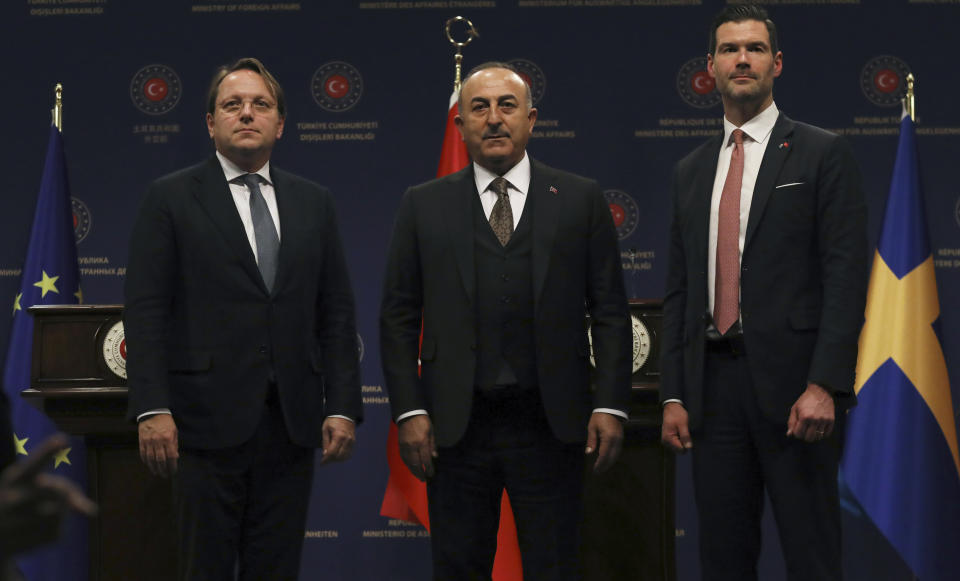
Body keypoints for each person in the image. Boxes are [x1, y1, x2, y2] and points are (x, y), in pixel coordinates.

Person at [380, 62, 632, 581]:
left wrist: (609, 402)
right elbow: (398, 318)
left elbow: (609, 311)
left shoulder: (580, 199)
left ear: (532, 119)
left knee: (555, 566)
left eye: (507, 106)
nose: (494, 119)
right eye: (479, 108)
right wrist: (408, 411)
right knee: (458, 567)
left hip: (551, 425)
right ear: (460, 125)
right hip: (456, 428)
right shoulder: (422, 206)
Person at [124, 57, 362, 581]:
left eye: (261, 105)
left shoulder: (314, 202)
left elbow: (337, 314)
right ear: (211, 123)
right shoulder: (170, 198)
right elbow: (145, 313)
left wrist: (343, 405)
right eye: (232, 105)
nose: (246, 114)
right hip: (200, 426)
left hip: (290, 424)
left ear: (281, 124)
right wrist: (151, 408)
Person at [659, 5, 868, 580]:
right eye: (729, 49)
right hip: (713, 393)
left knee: (812, 555)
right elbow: (680, 293)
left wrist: (825, 384)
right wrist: (674, 392)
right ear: (711, 68)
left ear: (776, 63)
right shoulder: (690, 171)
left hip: (798, 391)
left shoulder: (823, 153)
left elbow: (847, 280)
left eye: (753, 48)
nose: (741, 59)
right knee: (723, 559)